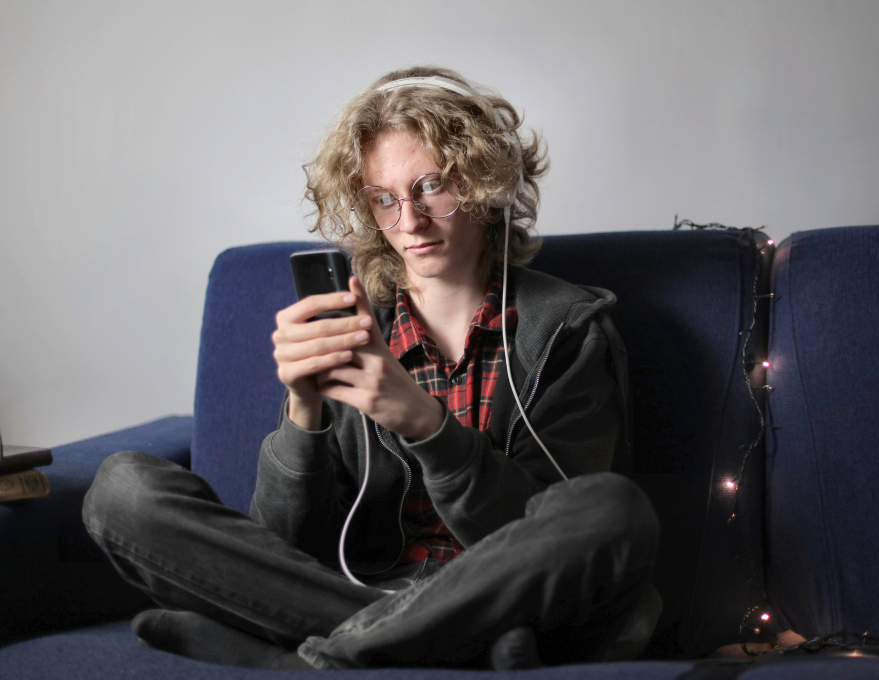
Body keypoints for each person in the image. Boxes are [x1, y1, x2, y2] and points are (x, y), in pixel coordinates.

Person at [82, 65, 661, 670]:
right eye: (384, 199)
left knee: (610, 508)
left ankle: (295, 659)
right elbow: (283, 548)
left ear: (488, 186)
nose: (409, 221)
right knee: (122, 489)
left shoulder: (567, 328)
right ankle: (431, 649)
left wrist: (425, 425)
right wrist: (303, 415)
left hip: (508, 597)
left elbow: (552, 534)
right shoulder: (355, 327)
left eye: (432, 185)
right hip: (368, 588)